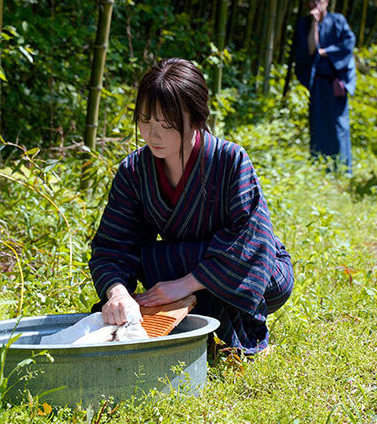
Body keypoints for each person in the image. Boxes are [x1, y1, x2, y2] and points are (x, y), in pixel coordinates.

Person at [88, 58, 294, 354]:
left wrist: (185, 284)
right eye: (145, 120)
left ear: (196, 118)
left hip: (252, 271)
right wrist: (118, 293)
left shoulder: (230, 160)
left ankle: (199, 305)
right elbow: (114, 244)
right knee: (155, 258)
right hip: (178, 269)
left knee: (259, 277)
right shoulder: (134, 171)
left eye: (166, 125)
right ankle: (191, 306)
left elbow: (251, 240)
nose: (153, 135)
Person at [293, 0, 356, 173]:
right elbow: (309, 51)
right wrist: (314, 23)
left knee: (339, 126)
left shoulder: (338, 21)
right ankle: (320, 168)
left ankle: (343, 169)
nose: (315, 4)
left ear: (327, 0)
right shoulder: (304, 24)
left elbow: (348, 45)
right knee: (318, 125)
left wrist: (326, 52)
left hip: (336, 82)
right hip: (318, 83)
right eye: (311, 0)